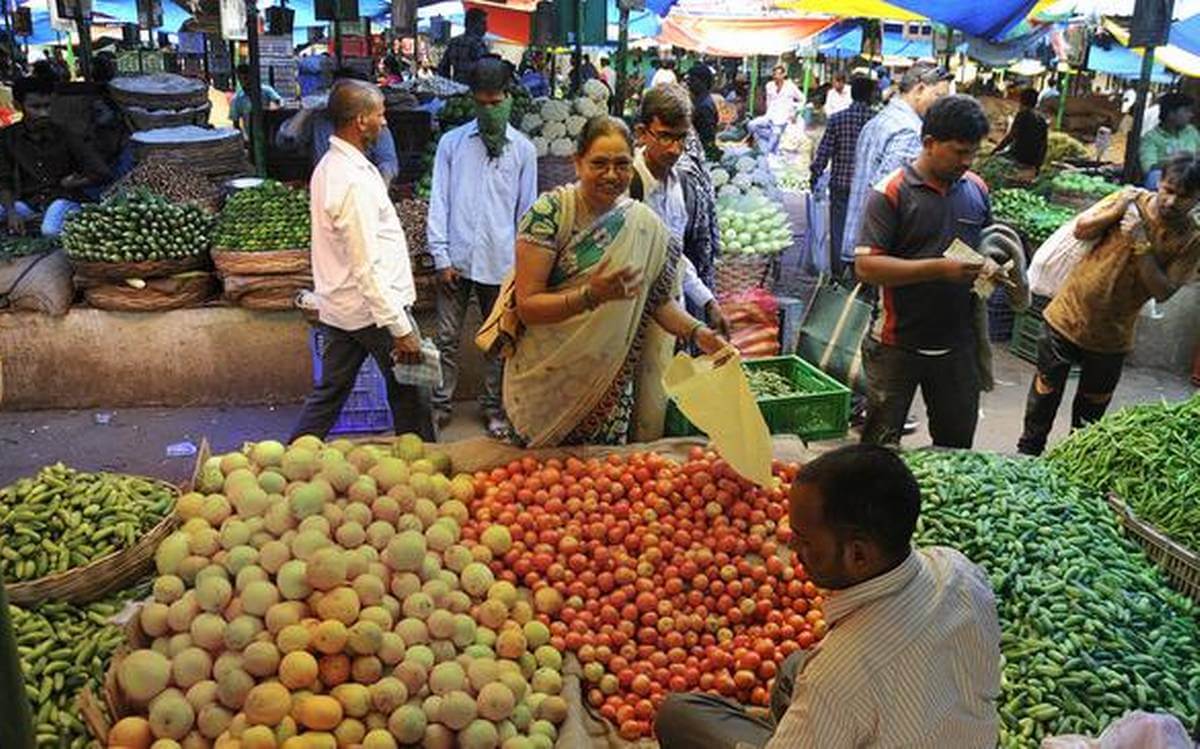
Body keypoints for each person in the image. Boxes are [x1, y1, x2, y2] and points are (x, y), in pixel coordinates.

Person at [655, 443, 1002, 749]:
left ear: (859, 555)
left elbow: (844, 680)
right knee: (795, 667)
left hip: (852, 696)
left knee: (679, 716)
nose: (793, 548)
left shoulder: (842, 672)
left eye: (806, 541)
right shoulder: (960, 572)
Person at [489, 116, 727, 448]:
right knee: (542, 489)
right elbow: (528, 306)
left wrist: (699, 333)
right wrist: (590, 296)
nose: (612, 175)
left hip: (608, 389)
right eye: (599, 163)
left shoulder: (642, 223)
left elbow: (657, 301)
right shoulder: (550, 214)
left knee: (604, 485)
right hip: (546, 382)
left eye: (622, 164)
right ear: (577, 162)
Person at [1017, 153, 1200, 456]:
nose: (1170, 201)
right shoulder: (1130, 201)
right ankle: (1027, 453)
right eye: (1167, 189)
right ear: (1160, 182)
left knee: (1091, 411)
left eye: (1183, 197)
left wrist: (1141, 243)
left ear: (1197, 199)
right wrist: (1116, 210)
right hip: (1067, 316)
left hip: (1112, 336)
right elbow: (1081, 229)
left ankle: (1074, 461)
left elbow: (1164, 291)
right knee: (1044, 394)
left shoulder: (1190, 239)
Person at [291, 80, 434, 442]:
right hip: (372, 309)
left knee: (331, 392)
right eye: (379, 114)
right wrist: (400, 329)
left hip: (343, 307)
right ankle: (429, 470)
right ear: (360, 121)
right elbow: (366, 264)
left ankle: (291, 455)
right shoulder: (350, 181)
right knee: (411, 391)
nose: (384, 122)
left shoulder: (331, 165)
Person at [854, 95, 1001, 449]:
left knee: (956, 449)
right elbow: (867, 266)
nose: (966, 162)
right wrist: (939, 269)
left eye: (973, 153)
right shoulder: (891, 192)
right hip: (896, 344)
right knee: (879, 448)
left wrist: (991, 270)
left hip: (958, 345)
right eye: (959, 152)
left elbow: (985, 246)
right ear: (929, 143)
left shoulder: (977, 189)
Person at [428, 57, 538, 438]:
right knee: (446, 339)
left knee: (498, 340)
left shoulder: (523, 151)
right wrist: (440, 255)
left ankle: (493, 408)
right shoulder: (452, 144)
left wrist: (520, 268)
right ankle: (440, 405)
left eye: (497, 102)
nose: (490, 109)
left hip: (501, 262)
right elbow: (438, 200)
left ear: (509, 98)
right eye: (483, 102)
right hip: (455, 260)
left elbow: (527, 215)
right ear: (473, 101)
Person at [630, 84, 728, 338]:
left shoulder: (679, 184)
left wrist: (707, 300)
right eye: (664, 136)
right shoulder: (628, 185)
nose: (674, 149)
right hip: (629, 324)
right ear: (642, 133)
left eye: (681, 138)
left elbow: (673, 255)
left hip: (669, 323)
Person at [840, 61, 952, 269]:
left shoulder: (879, 121)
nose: (940, 106)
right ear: (919, 89)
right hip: (880, 251)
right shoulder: (909, 131)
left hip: (859, 240)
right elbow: (893, 195)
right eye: (938, 96)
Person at [0, 76, 109, 237]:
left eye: (47, 106)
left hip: (62, 199)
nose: (43, 113)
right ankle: (35, 220)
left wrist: (75, 182)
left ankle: (42, 222)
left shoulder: (66, 134)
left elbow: (102, 172)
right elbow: (4, 180)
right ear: (18, 106)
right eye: (35, 107)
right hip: (31, 202)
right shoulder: (8, 137)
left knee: (50, 230)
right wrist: (11, 213)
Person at [276, 68, 400, 185]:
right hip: (325, 185)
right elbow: (286, 142)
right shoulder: (318, 117)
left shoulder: (374, 122)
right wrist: (305, 110)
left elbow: (388, 162)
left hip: (363, 184)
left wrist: (381, 186)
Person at [811, 75, 875, 276]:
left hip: (841, 182)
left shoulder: (838, 119)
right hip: (867, 186)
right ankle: (859, 271)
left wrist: (815, 174)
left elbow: (824, 151)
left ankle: (838, 272)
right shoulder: (876, 121)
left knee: (838, 226)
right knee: (864, 229)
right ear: (871, 96)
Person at [1139, 93, 1200, 189]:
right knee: (1154, 176)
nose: (1191, 115)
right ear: (1171, 113)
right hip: (1170, 181)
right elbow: (1149, 168)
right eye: (1186, 111)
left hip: (1194, 178)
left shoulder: (1192, 132)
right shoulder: (1151, 138)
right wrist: (1180, 162)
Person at [747, 65, 801, 154]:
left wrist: (794, 112)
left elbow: (802, 99)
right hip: (770, 116)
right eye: (775, 74)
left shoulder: (790, 86)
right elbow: (769, 100)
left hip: (782, 118)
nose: (776, 76)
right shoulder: (769, 85)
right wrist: (767, 113)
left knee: (771, 144)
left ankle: (768, 152)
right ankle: (769, 137)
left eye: (779, 74)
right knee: (751, 125)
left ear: (784, 74)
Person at [991, 88, 1048, 171]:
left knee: (994, 161)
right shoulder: (1041, 119)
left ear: (1021, 100)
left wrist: (995, 150)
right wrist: (1038, 165)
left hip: (1019, 157)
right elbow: (1044, 144)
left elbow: (1010, 137)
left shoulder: (1022, 115)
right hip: (1034, 160)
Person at [438, 7, 489, 85]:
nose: (486, 28)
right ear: (473, 24)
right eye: (483, 23)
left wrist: (448, 86)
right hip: (474, 91)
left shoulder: (454, 42)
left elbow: (443, 68)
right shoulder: (478, 44)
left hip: (456, 87)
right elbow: (485, 71)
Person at [230, 63, 283, 138]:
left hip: (270, 134)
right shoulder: (237, 99)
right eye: (241, 79)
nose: (245, 82)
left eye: (246, 78)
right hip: (252, 137)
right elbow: (235, 123)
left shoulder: (266, 91)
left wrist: (270, 110)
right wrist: (243, 139)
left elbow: (280, 103)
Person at [684, 63, 718, 155]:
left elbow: (707, 138)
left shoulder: (704, 106)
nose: (689, 83)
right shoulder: (700, 101)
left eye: (692, 80)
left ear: (703, 81)